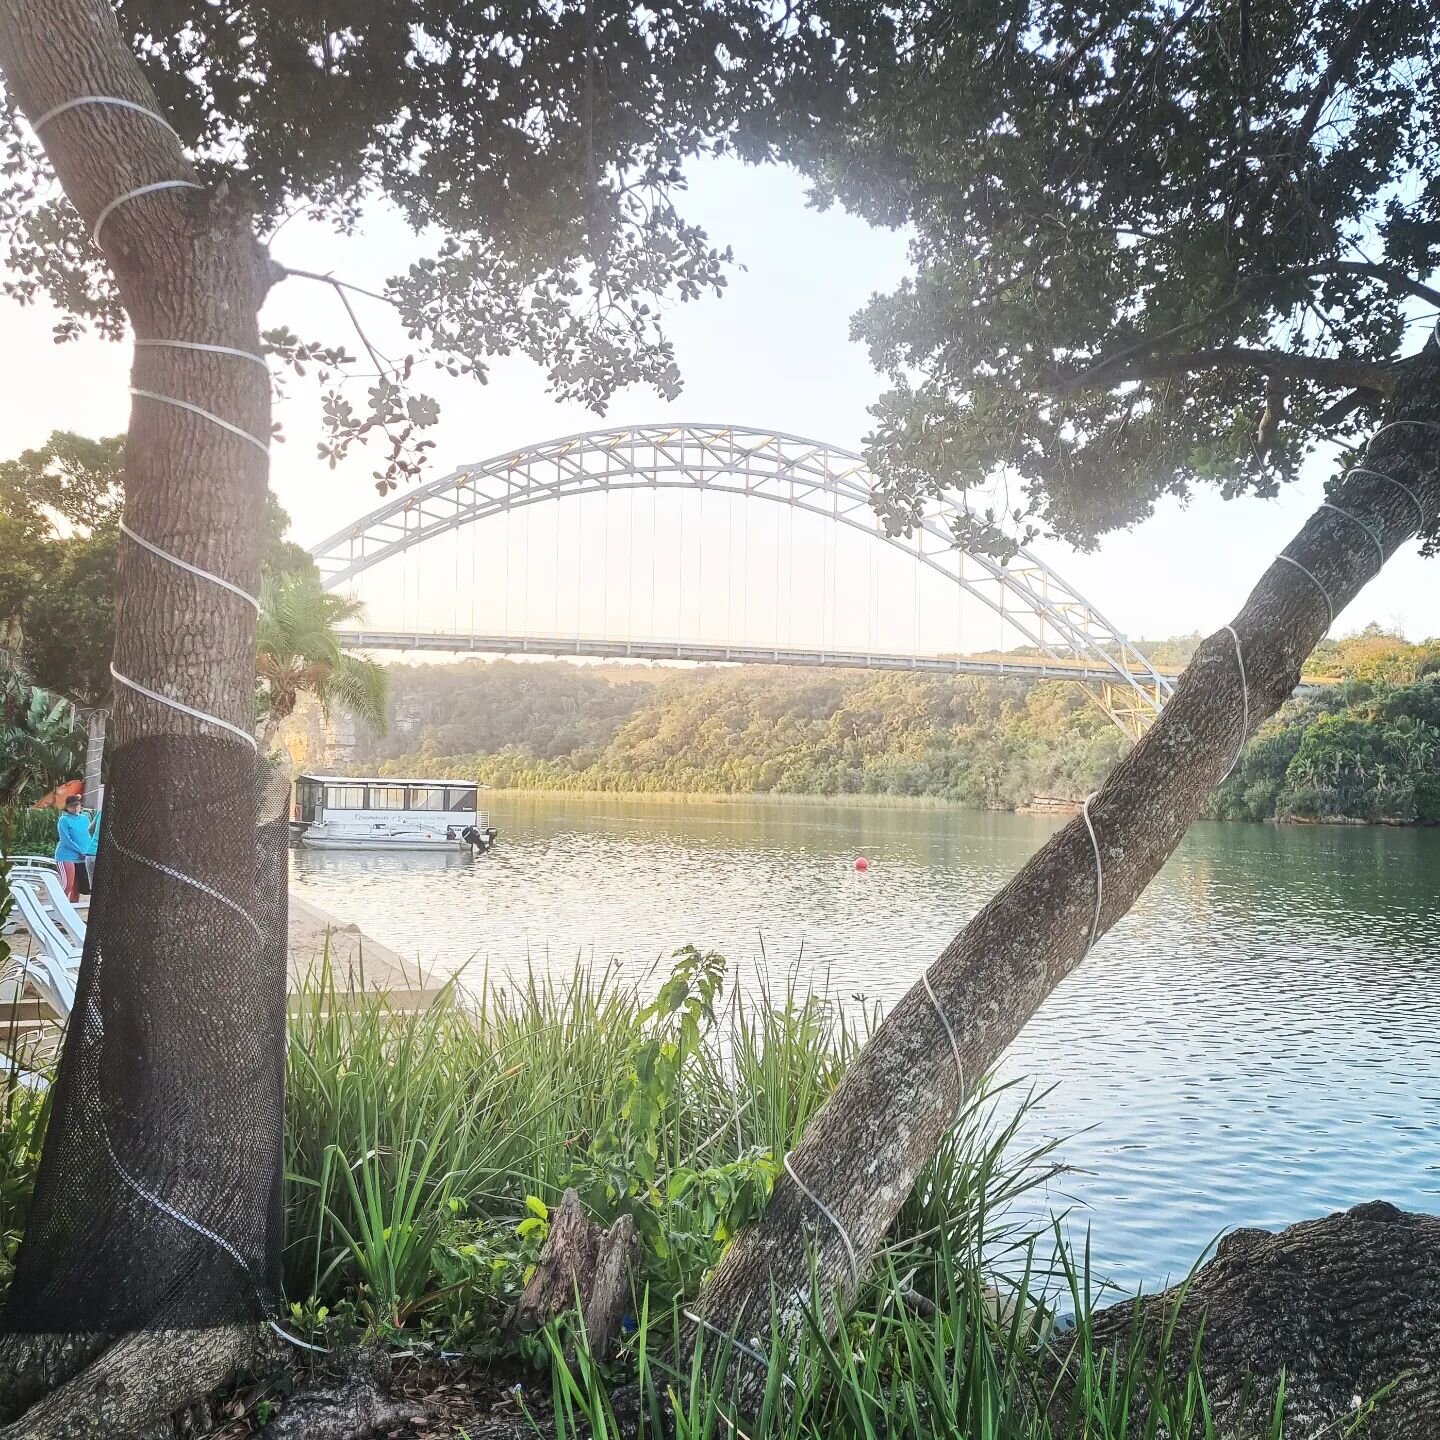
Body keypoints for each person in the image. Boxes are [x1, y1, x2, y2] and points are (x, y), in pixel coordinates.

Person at [54, 791, 99, 902]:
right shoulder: (63, 820)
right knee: (68, 885)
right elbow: (66, 840)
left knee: (76, 889)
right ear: (67, 807)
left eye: (77, 805)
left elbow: (89, 835)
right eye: (72, 806)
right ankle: (58, 907)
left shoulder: (85, 818)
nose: (75, 808)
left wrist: (88, 850)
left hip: (82, 857)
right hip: (66, 856)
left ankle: (71, 912)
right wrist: (80, 850)